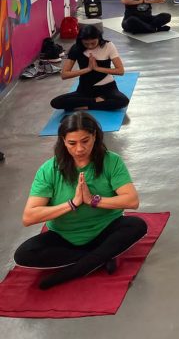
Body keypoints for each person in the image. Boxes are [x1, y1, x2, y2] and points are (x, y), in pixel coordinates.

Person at [13, 112, 147, 290]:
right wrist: (72, 203)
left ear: (95, 136)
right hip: (65, 237)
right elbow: (29, 217)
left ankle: (71, 272)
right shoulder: (48, 170)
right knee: (24, 254)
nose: (79, 149)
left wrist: (93, 200)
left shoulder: (111, 161)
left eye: (85, 141)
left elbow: (132, 201)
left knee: (136, 225)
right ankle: (100, 258)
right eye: (72, 143)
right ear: (62, 140)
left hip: (105, 230)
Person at [50, 25, 129, 112]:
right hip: (85, 89)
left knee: (123, 101)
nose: (90, 46)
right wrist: (87, 69)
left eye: (93, 43)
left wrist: (97, 68)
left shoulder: (108, 46)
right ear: (81, 41)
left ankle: (86, 106)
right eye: (86, 44)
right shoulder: (76, 48)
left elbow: (120, 71)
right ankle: (95, 101)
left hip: (107, 88)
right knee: (56, 102)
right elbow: (64, 74)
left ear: (99, 38)